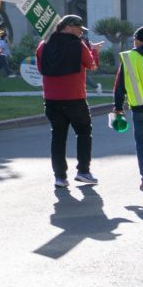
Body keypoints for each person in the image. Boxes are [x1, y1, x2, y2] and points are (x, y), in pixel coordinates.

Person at [38, 15, 102, 186]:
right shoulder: (78, 45)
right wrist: (94, 51)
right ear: (67, 27)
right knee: (83, 133)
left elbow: (40, 68)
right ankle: (83, 171)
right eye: (79, 28)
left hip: (52, 100)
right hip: (75, 98)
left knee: (58, 137)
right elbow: (92, 65)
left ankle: (60, 177)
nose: (81, 31)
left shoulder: (43, 45)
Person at [112, 26, 143, 192]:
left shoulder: (129, 58)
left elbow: (119, 87)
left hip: (139, 109)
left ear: (138, 40)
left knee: (141, 144)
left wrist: (118, 107)